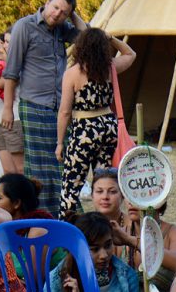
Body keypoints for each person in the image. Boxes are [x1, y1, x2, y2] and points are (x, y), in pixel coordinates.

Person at [1, 0, 88, 216]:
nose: (57, 14)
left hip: (60, 107)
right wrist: (8, 109)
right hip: (33, 104)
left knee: (63, 162)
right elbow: (11, 71)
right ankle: (40, 214)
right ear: (46, 2)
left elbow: (88, 37)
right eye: (55, 7)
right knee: (39, 167)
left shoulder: (63, 29)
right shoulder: (24, 26)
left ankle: (67, 212)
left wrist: (73, 15)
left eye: (63, 12)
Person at [56, 28, 136, 215]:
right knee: (104, 184)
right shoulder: (110, 68)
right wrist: (111, 38)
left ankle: (66, 228)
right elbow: (130, 54)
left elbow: (65, 111)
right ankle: (107, 223)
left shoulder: (73, 73)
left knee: (71, 186)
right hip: (108, 127)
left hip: (84, 129)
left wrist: (60, 142)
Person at [0, 31, 24, 175]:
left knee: (19, 169)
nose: (3, 46)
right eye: (3, 42)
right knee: (7, 170)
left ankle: (26, 196)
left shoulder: (19, 65)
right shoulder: (2, 65)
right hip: (1, 120)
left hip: (15, 120)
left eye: (7, 42)